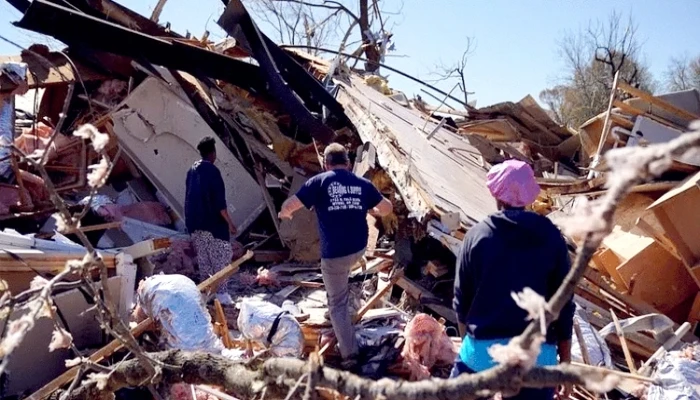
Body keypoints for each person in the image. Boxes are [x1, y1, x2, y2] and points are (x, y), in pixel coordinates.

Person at [452, 159, 574, 400]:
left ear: (496, 195)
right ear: (530, 197)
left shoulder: (476, 236)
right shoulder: (552, 237)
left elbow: (461, 302)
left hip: (484, 353)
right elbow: (564, 304)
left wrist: (472, 344)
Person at [278, 143, 393, 363]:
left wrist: (285, 214)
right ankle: (346, 296)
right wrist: (370, 208)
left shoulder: (319, 182)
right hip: (359, 250)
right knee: (343, 276)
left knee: (337, 304)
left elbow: (291, 205)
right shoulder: (362, 184)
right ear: (348, 164)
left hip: (335, 257)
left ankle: (350, 354)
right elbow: (387, 208)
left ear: (325, 163)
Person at [185, 136, 238, 305]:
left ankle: (207, 293)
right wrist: (230, 223)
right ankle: (222, 295)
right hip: (213, 225)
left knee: (204, 261)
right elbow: (219, 204)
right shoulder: (213, 172)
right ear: (213, 153)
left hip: (195, 225)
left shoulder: (191, 171)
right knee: (221, 259)